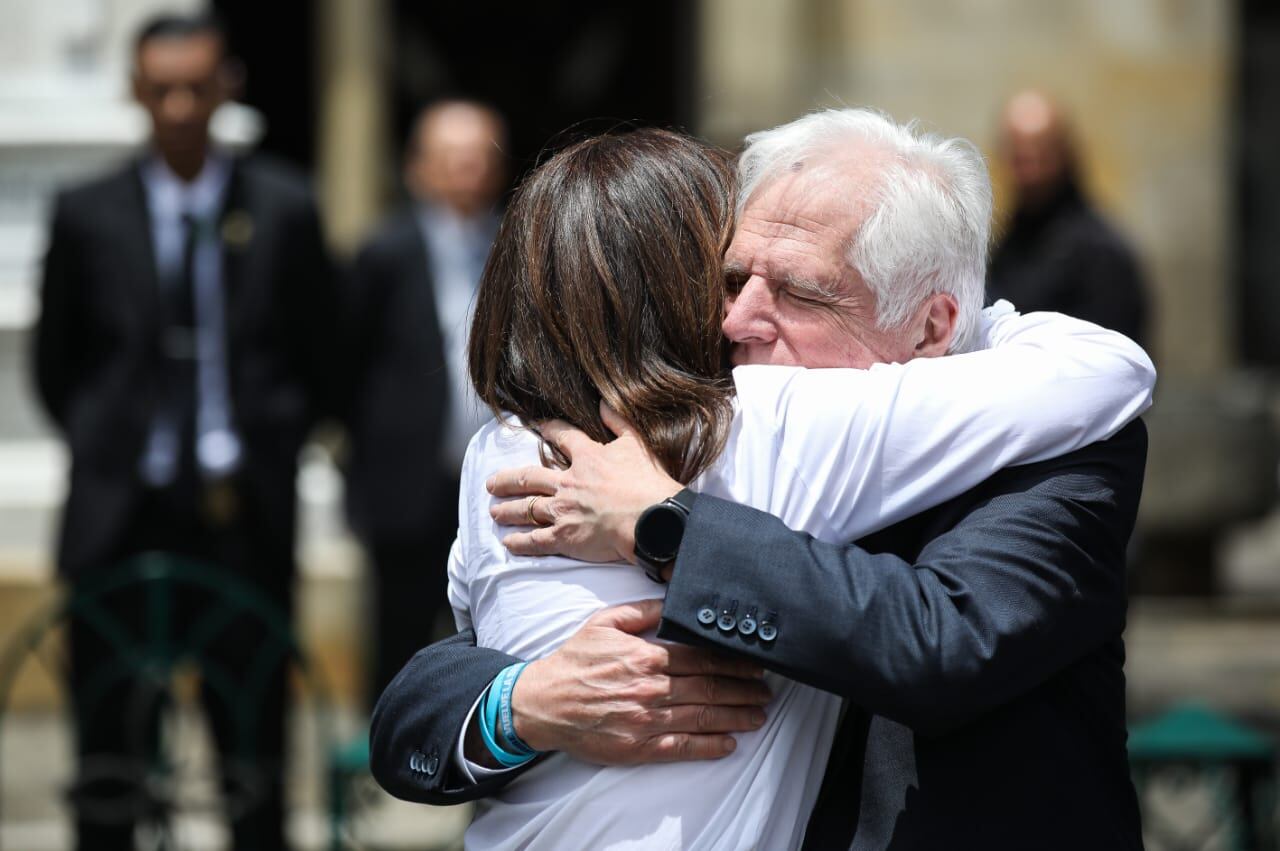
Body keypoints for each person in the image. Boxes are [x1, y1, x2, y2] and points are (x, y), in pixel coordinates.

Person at [370, 113, 1154, 849]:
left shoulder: (1055, 449)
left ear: (932, 326)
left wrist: (666, 523)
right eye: (731, 278)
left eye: (801, 292)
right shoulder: (683, 432)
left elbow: (939, 642)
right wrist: (524, 703)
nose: (737, 321)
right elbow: (434, 689)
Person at [31, 13, 337, 849]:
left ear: (225, 87)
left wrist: (270, 436)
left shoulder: (283, 205)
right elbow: (57, 366)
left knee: (252, 757)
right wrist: (111, 441)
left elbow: (321, 353)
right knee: (111, 758)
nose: (177, 107)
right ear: (135, 92)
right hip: (118, 516)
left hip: (241, 515)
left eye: (195, 88)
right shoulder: (86, 211)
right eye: (160, 88)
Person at [344, 100, 507, 705]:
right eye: (452, 157)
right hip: (409, 474)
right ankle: (393, 744)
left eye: (479, 157)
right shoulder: (384, 252)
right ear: (419, 167)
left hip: (498, 478)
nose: (467, 170)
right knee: (400, 622)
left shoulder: (519, 243)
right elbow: (346, 363)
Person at [987, 89, 1149, 346]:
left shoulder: (1100, 253)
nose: (1029, 172)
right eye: (1019, 158)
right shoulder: (1005, 240)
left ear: (1064, 153)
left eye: (1039, 156)